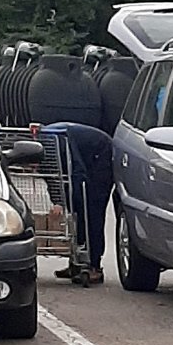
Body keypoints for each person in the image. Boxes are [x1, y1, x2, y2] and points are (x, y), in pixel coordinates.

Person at [41, 121, 114, 285]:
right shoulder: (41, 149)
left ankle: (94, 266)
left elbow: (76, 170)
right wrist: (60, 202)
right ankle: (77, 262)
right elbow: (53, 178)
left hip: (100, 154)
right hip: (83, 155)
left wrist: (64, 202)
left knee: (91, 210)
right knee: (76, 211)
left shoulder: (50, 145)